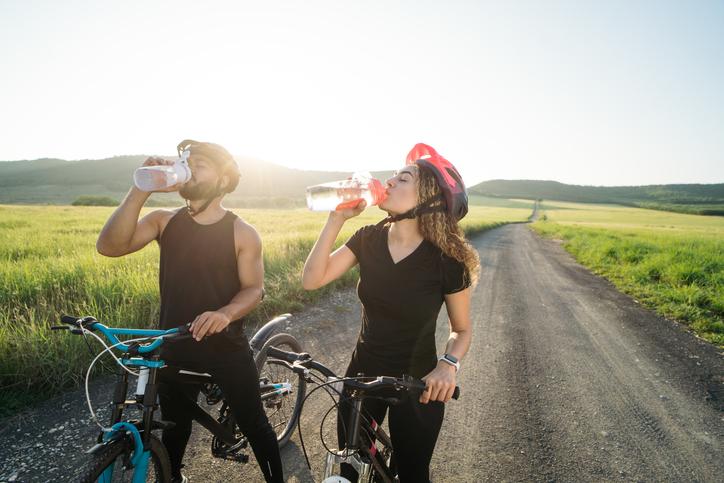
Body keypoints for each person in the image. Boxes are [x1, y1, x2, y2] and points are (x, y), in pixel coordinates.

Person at [96, 140, 283, 483]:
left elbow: (254, 289)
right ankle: (173, 476)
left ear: (224, 180)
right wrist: (140, 188)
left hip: (225, 349)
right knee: (174, 427)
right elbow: (110, 246)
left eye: (199, 164)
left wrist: (225, 313)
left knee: (255, 424)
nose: (188, 168)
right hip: (173, 343)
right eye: (186, 161)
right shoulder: (163, 221)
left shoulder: (242, 232)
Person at [302, 143, 480, 482]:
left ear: (428, 198)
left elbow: (462, 329)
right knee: (350, 466)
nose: (390, 182)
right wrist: (336, 218)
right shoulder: (368, 238)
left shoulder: (447, 260)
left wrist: (448, 365)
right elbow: (312, 280)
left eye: (403, 178)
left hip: (416, 384)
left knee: (413, 473)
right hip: (361, 374)